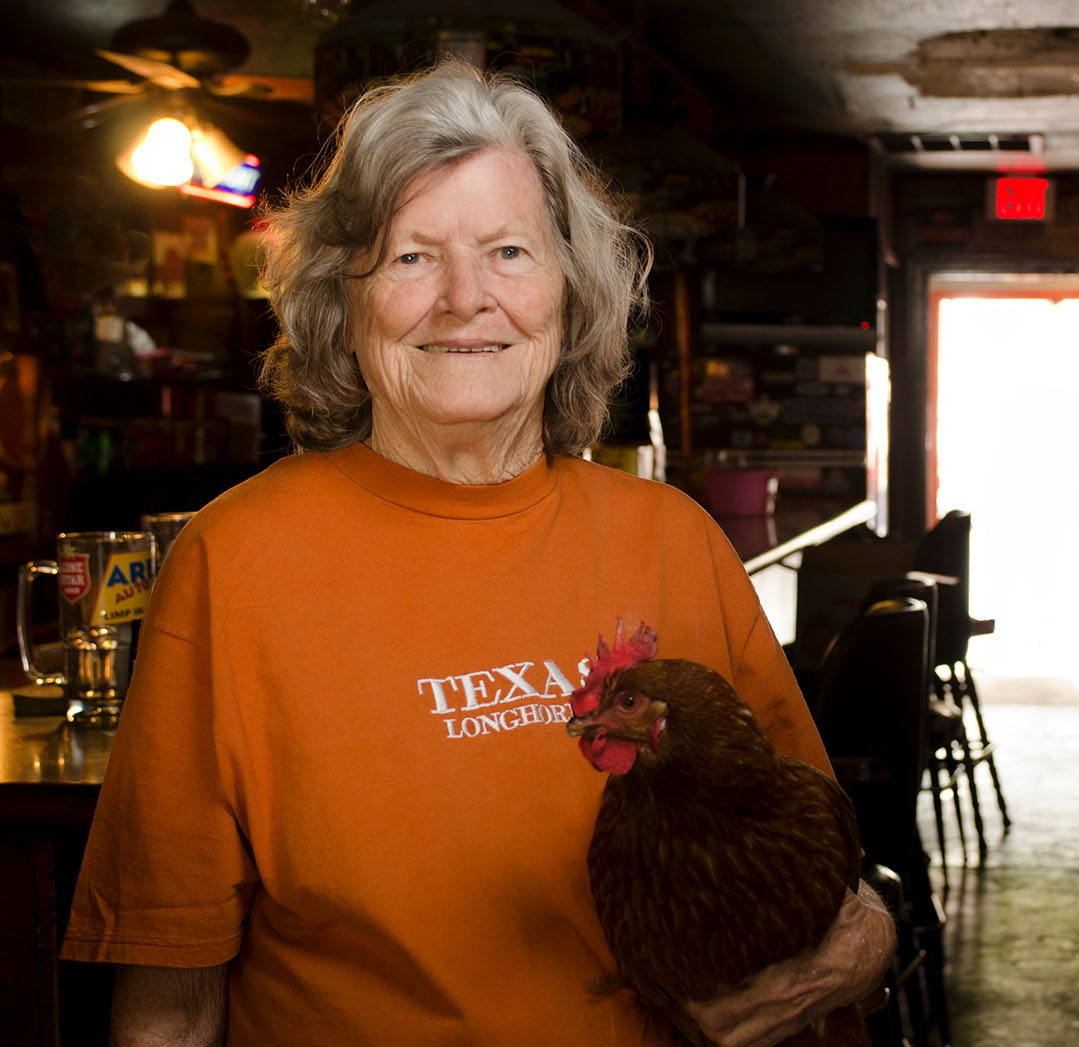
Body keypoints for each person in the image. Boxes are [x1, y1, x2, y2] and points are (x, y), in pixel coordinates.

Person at [60, 60, 894, 1046]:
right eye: (412, 258)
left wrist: (861, 947)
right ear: (343, 300)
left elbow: (830, 888)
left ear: (569, 294)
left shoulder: (672, 539)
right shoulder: (232, 562)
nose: (465, 298)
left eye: (507, 251)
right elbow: (168, 1005)